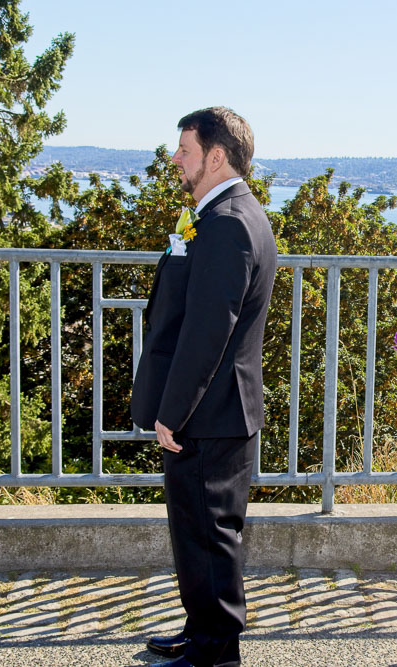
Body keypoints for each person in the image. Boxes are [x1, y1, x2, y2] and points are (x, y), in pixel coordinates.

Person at [130, 106, 277, 667]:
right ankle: (201, 630)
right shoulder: (218, 215)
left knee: (211, 533)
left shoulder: (231, 222)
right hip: (210, 408)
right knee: (193, 527)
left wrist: (175, 410)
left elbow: (207, 331)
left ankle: (217, 651)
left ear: (216, 156)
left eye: (184, 150)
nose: (176, 159)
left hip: (210, 411)